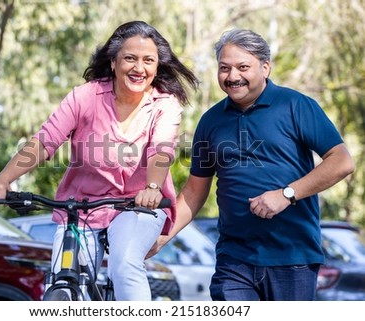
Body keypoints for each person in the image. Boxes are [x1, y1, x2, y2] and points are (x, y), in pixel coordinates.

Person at [0, 20, 198, 301]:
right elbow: (44, 141)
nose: (139, 68)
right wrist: (2, 180)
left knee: (125, 265)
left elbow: (161, 150)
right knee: (63, 277)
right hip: (82, 207)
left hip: (138, 206)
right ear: (113, 62)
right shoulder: (85, 96)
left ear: (157, 67)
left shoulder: (164, 105)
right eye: (130, 58)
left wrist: (153, 189)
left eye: (148, 61)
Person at [148, 28, 355, 301]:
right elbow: (195, 191)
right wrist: (164, 236)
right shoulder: (211, 121)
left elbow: (341, 161)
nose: (233, 76)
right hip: (234, 259)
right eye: (224, 68)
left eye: (242, 67)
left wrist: (286, 194)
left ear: (265, 67)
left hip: (292, 258)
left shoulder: (296, 105)